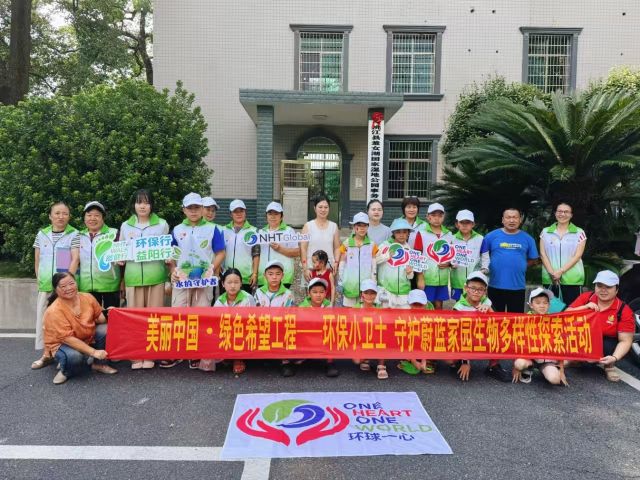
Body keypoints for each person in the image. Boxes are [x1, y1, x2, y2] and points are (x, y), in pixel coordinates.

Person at [165, 193, 226, 369]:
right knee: (178, 314)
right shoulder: (176, 230)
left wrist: (211, 269)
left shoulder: (212, 229)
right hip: (182, 280)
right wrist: (173, 271)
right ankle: (177, 352)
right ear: (184, 210)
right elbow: (171, 255)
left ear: (202, 209)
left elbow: (221, 252)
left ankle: (197, 353)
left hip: (204, 280)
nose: (193, 211)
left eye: (197, 207)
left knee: (200, 315)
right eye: (189, 208)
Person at [119, 189, 169, 370]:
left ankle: (151, 355)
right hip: (132, 278)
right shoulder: (126, 226)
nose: (142, 206)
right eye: (139, 202)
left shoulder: (162, 224)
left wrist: (168, 258)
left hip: (156, 277)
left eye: (146, 202)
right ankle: (136, 355)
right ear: (134, 205)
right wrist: (119, 258)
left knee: (154, 319)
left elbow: (167, 249)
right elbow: (121, 249)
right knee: (135, 319)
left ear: (151, 205)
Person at [42, 272, 117, 385]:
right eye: (63, 286)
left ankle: (99, 364)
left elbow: (100, 319)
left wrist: (109, 313)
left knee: (105, 329)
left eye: (71, 283)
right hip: (62, 343)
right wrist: (93, 352)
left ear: (76, 283)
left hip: (85, 336)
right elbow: (68, 339)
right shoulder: (54, 311)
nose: (69, 288)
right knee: (75, 357)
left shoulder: (87, 297)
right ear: (56, 289)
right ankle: (65, 371)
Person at [31, 201, 80, 370]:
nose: (61, 217)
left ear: (69, 216)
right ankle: (47, 354)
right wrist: (40, 278)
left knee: (65, 322)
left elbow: (75, 258)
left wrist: (66, 283)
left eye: (65, 213)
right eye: (57, 213)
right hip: (46, 285)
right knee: (45, 321)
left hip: (65, 288)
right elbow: (37, 259)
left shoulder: (74, 234)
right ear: (50, 216)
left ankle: (63, 354)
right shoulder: (42, 234)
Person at [564, 270, 636, 382]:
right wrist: (584, 307)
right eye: (599, 286)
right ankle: (577, 360)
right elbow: (565, 316)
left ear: (616, 289)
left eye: (608, 287)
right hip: (583, 337)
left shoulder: (624, 310)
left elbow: (625, 341)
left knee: (609, 346)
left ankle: (609, 366)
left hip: (605, 343)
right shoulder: (586, 297)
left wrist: (615, 357)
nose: (603, 290)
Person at [481, 207, 539, 313]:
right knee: (495, 319)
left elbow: (534, 258)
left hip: (517, 286)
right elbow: (482, 254)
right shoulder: (490, 236)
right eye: (508, 217)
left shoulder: (528, 238)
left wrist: (522, 265)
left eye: (515, 217)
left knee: (516, 319)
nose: (512, 220)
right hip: (495, 285)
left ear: (520, 220)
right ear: (503, 220)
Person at [512, 288, 568, 386]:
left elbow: (560, 344)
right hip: (528, 357)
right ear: (531, 305)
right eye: (538, 303)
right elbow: (517, 342)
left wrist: (561, 368)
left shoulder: (554, 320)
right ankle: (529, 368)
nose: (542, 305)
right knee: (519, 364)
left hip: (546, 358)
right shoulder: (523, 320)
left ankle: (543, 370)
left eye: (545, 303)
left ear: (549, 305)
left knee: (555, 379)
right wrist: (515, 367)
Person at [209, 268, 256, 374]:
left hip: (243, 331)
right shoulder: (219, 301)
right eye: (229, 282)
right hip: (226, 331)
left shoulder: (248, 298)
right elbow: (215, 322)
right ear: (223, 284)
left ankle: (238, 359)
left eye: (236, 282)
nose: (233, 286)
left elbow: (253, 320)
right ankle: (226, 356)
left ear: (241, 283)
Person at [539, 202, 587, 305]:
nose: (562, 214)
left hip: (573, 279)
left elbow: (578, 255)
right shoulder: (545, 232)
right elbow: (543, 254)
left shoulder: (579, 232)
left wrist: (560, 271)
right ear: (555, 213)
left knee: (572, 310)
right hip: (550, 279)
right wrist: (552, 274)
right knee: (551, 310)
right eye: (560, 211)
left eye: (566, 212)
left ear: (571, 215)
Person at [77, 201, 121, 310]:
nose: (92, 218)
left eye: (97, 215)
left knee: (111, 317)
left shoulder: (114, 233)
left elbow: (123, 260)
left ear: (103, 217)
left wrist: (123, 282)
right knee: (90, 317)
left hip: (111, 286)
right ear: (84, 218)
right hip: (86, 287)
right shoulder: (78, 236)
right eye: (89, 215)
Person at [294, 277, 339, 377]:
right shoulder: (302, 307)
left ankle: (330, 362)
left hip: (322, 334)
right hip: (307, 335)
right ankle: (303, 355)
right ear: (309, 293)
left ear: (325, 293)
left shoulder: (328, 305)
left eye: (321, 292)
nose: (318, 295)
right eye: (315, 292)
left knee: (332, 331)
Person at [413, 203, 453, 310]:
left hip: (442, 279)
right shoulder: (421, 233)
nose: (436, 218)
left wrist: (449, 263)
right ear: (427, 217)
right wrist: (420, 277)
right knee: (427, 306)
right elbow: (417, 257)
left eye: (440, 215)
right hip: (427, 278)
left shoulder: (449, 234)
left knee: (439, 306)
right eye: (433, 215)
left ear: (444, 217)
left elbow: (452, 255)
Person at [376, 218, 423, 309]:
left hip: (404, 292)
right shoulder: (384, 245)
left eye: (404, 232)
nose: (401, 235)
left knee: (403, 317)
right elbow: (375, 260)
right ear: (393, 233)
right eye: (398, 232)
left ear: (408, 233)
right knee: (386, 316)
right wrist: (387, 256)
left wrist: (409, 273)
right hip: (386, 291)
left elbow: (411, 276)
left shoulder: (409, 250)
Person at [338, 212, 378, 307]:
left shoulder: (372, 245)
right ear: (354, 226)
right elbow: (342, 264)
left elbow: (374, 265)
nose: (362, 228)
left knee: (364, 312)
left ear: (368, 227)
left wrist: (373, 282)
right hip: (350, 284)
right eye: (359, 225)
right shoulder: (346, 244)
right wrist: (341, 282)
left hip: (366, 287)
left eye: (365, 225)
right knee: (349, 312)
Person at [257, 201, 300, 289]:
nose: (273, 216)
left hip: (283, 276)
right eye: (270, 214)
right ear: (266, 216)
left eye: (276, 214)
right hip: (264, 276)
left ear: (281, 216)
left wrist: (280, 249)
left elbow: (297, 252)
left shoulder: (289, 231)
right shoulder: (261, 232)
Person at [352, 279, 388, 380]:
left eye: (372, 293)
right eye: (366, 293)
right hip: (361, 339)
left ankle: (381, 365)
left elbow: (385, 328)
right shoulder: (355, 308)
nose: (369, 296)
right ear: (361, 294)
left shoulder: (380, 309)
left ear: (376, 294)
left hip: (377, 339)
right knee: (357, 360)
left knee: (384, 339)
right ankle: (366, 358)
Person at [221, 199, 260, 293]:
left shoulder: (254, 231)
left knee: (245, 301)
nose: (239, 214)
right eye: (235, 211)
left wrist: (255, 273)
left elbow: (256, 254)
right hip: (227, 277)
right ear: (231, 214)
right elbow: (219, 252)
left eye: (241, 211)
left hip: (246, 278)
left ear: (245, 212)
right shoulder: (223, 230)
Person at [300, 195, 341, 281]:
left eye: (326, 207)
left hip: (329, 270)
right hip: (311, 269)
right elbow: (303, 248)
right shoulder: (307, 226)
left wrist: (336, 262)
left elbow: (337, 248)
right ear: (315, 208)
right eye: (320, 207)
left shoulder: (334, 226)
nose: (323, 210)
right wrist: (305, 268)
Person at [450, 210, 489, 301]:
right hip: (457, 279)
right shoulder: (451, 238)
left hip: (475, 279)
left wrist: (484, 268)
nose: (465, 225)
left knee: (475, 303)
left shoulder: (480, 238)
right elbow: (448, 256)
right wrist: (451, 264)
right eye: (462, 222)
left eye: (468, 222)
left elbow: (485, 256)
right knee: (459, 304)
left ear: (473, 224)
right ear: (457, 224)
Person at [397, 289, 435, 375]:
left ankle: (426, 360)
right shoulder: (404, 315)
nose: (418, 308)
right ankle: (409, 359)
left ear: (425, 304)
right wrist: (414, 361)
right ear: (409, 304)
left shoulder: (430, 313)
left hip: (424, 341)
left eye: (420, 305)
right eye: (415, 304)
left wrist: (424, 360)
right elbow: (404, 340)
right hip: (410, 342)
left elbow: (429, 336)